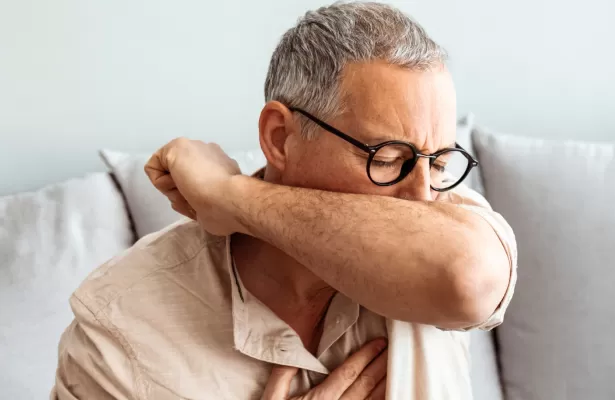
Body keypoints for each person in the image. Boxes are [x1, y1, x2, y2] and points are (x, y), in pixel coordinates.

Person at [52, 2, 517, 399]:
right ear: (280, 139)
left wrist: (228, 195)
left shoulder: (453, 224)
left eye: (437, 164)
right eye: (388, 158)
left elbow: (464, 279)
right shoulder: (120, 326)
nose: (422, 197)